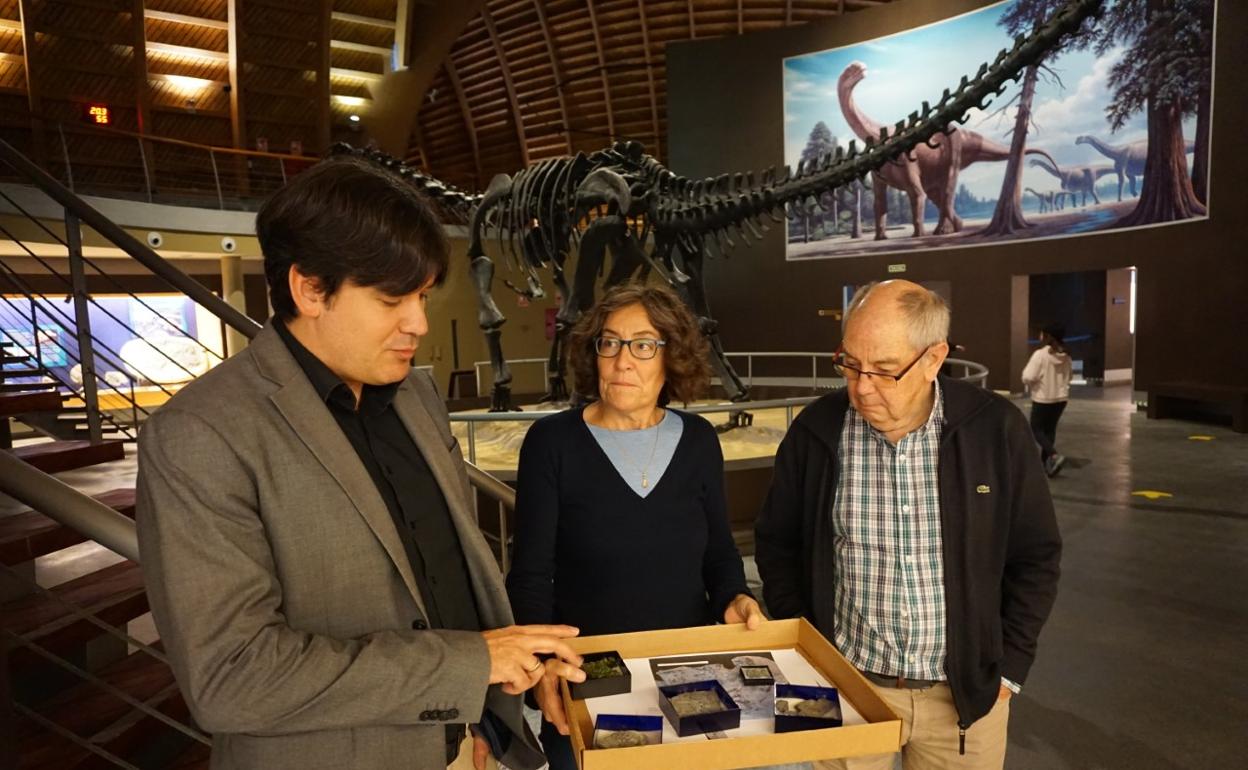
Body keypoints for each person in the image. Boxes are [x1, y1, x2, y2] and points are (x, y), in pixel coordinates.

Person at [135, 156, 586, 770]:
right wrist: (468, 665)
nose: (419, 324)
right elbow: (230, 677)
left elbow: (443, 574)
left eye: (423, 296)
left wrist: (479, 704)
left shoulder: (417, 395)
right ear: (309, 289)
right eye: (392, 299)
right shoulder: (201, 435)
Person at [755, 280, 1061, 770]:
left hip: (964, 703)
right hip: (847, 693)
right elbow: (777, 544)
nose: (861, 387)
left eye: (885, 370)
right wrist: (811, 651)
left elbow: (1036, 555)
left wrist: (1008, 670)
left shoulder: (995, 429)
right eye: (850, 363)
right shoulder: (814, 433)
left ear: (934, 358)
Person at [506, 282, 764, 770]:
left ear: (672, 357)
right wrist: (542, 669)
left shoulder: (698, 441)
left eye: (643, 345)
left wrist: (735, 596)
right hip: (587, 682)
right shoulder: (552, 443)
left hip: (685, 679)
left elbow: (719, 554)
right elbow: (531, 575)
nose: (623, 360)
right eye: (611, 342)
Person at [1022, 325, 1073, 477]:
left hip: (1043, 398)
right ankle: (1046, 464)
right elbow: (1069, 377)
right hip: (1061, 399)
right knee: (1050, 430)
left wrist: (1033, 385)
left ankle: (1054, 455)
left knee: (1036, 429)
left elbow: (1028, 376)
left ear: (1047, 336)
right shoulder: (1066, 355)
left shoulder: (1040, 355)